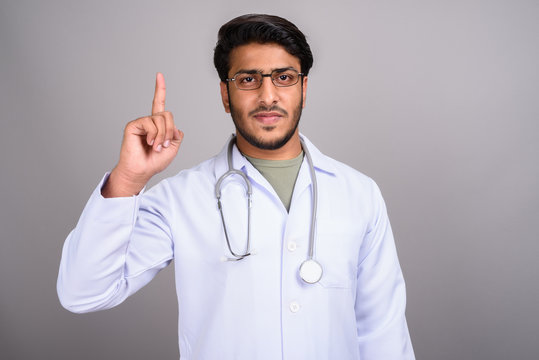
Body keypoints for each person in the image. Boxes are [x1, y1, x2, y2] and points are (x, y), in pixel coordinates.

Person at [57, 14, 415, 360]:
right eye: (247, 80)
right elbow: (83, 293)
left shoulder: (359, 194)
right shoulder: (181, 198)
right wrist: (128, 179)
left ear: (303, 89)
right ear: (225, 95)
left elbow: (382, 333)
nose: (268, 96)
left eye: (284, 77)